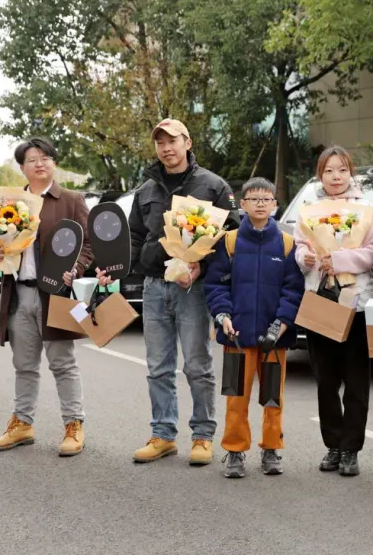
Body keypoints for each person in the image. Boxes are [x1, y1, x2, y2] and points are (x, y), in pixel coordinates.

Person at [128, 119, 241, 466]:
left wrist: (201, 267)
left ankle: (203, 435)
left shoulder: (213, 186)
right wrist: (133, 266)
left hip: (194, 288)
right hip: (154, 287)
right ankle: (163, 434)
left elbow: (232, 236)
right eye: (160, 143)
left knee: (197, 365)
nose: (166, 148)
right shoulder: (145, 190)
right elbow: (134, 236)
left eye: (172, 141)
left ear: (187, 143)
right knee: (157, 367)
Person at [0, 137, 95, 457]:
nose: (39, 163)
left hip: (56, 294)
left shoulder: (71, 200)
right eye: (32, 159)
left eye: (45, 158)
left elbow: (89, 244)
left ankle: (74, 424)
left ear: (54, 163)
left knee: (62, 363)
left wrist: (76, 267)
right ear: (22, 167)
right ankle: (22, 423)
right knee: (24, 365)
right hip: (19, 293)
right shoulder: (9, 203)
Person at [202, 178, 305, 478]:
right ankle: (234, 451)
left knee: (273, 398)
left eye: (266, 199)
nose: (260, 203)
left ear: (275, 205)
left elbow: (293, 290)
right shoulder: (229, 242)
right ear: (243, 205)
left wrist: (282, 323)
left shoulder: (287, 244)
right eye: (254, 199)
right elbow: (216, 285)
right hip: (236, 336)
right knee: (236, 397)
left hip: (274, 338)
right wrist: (223, 316)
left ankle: (271, 448)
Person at [294, 146, 373, 477]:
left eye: (342, 169)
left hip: (356, 301)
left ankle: (351, 449)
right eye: (328, 170)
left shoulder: (367, 210)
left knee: (356, 380)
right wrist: (305, 259)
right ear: (320, 175)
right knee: (325, 380)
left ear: (350, 172)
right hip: (320, 299)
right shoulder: (308, 210)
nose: (336, 176)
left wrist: (339, 259)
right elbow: (301, 246)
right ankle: (333, 444)